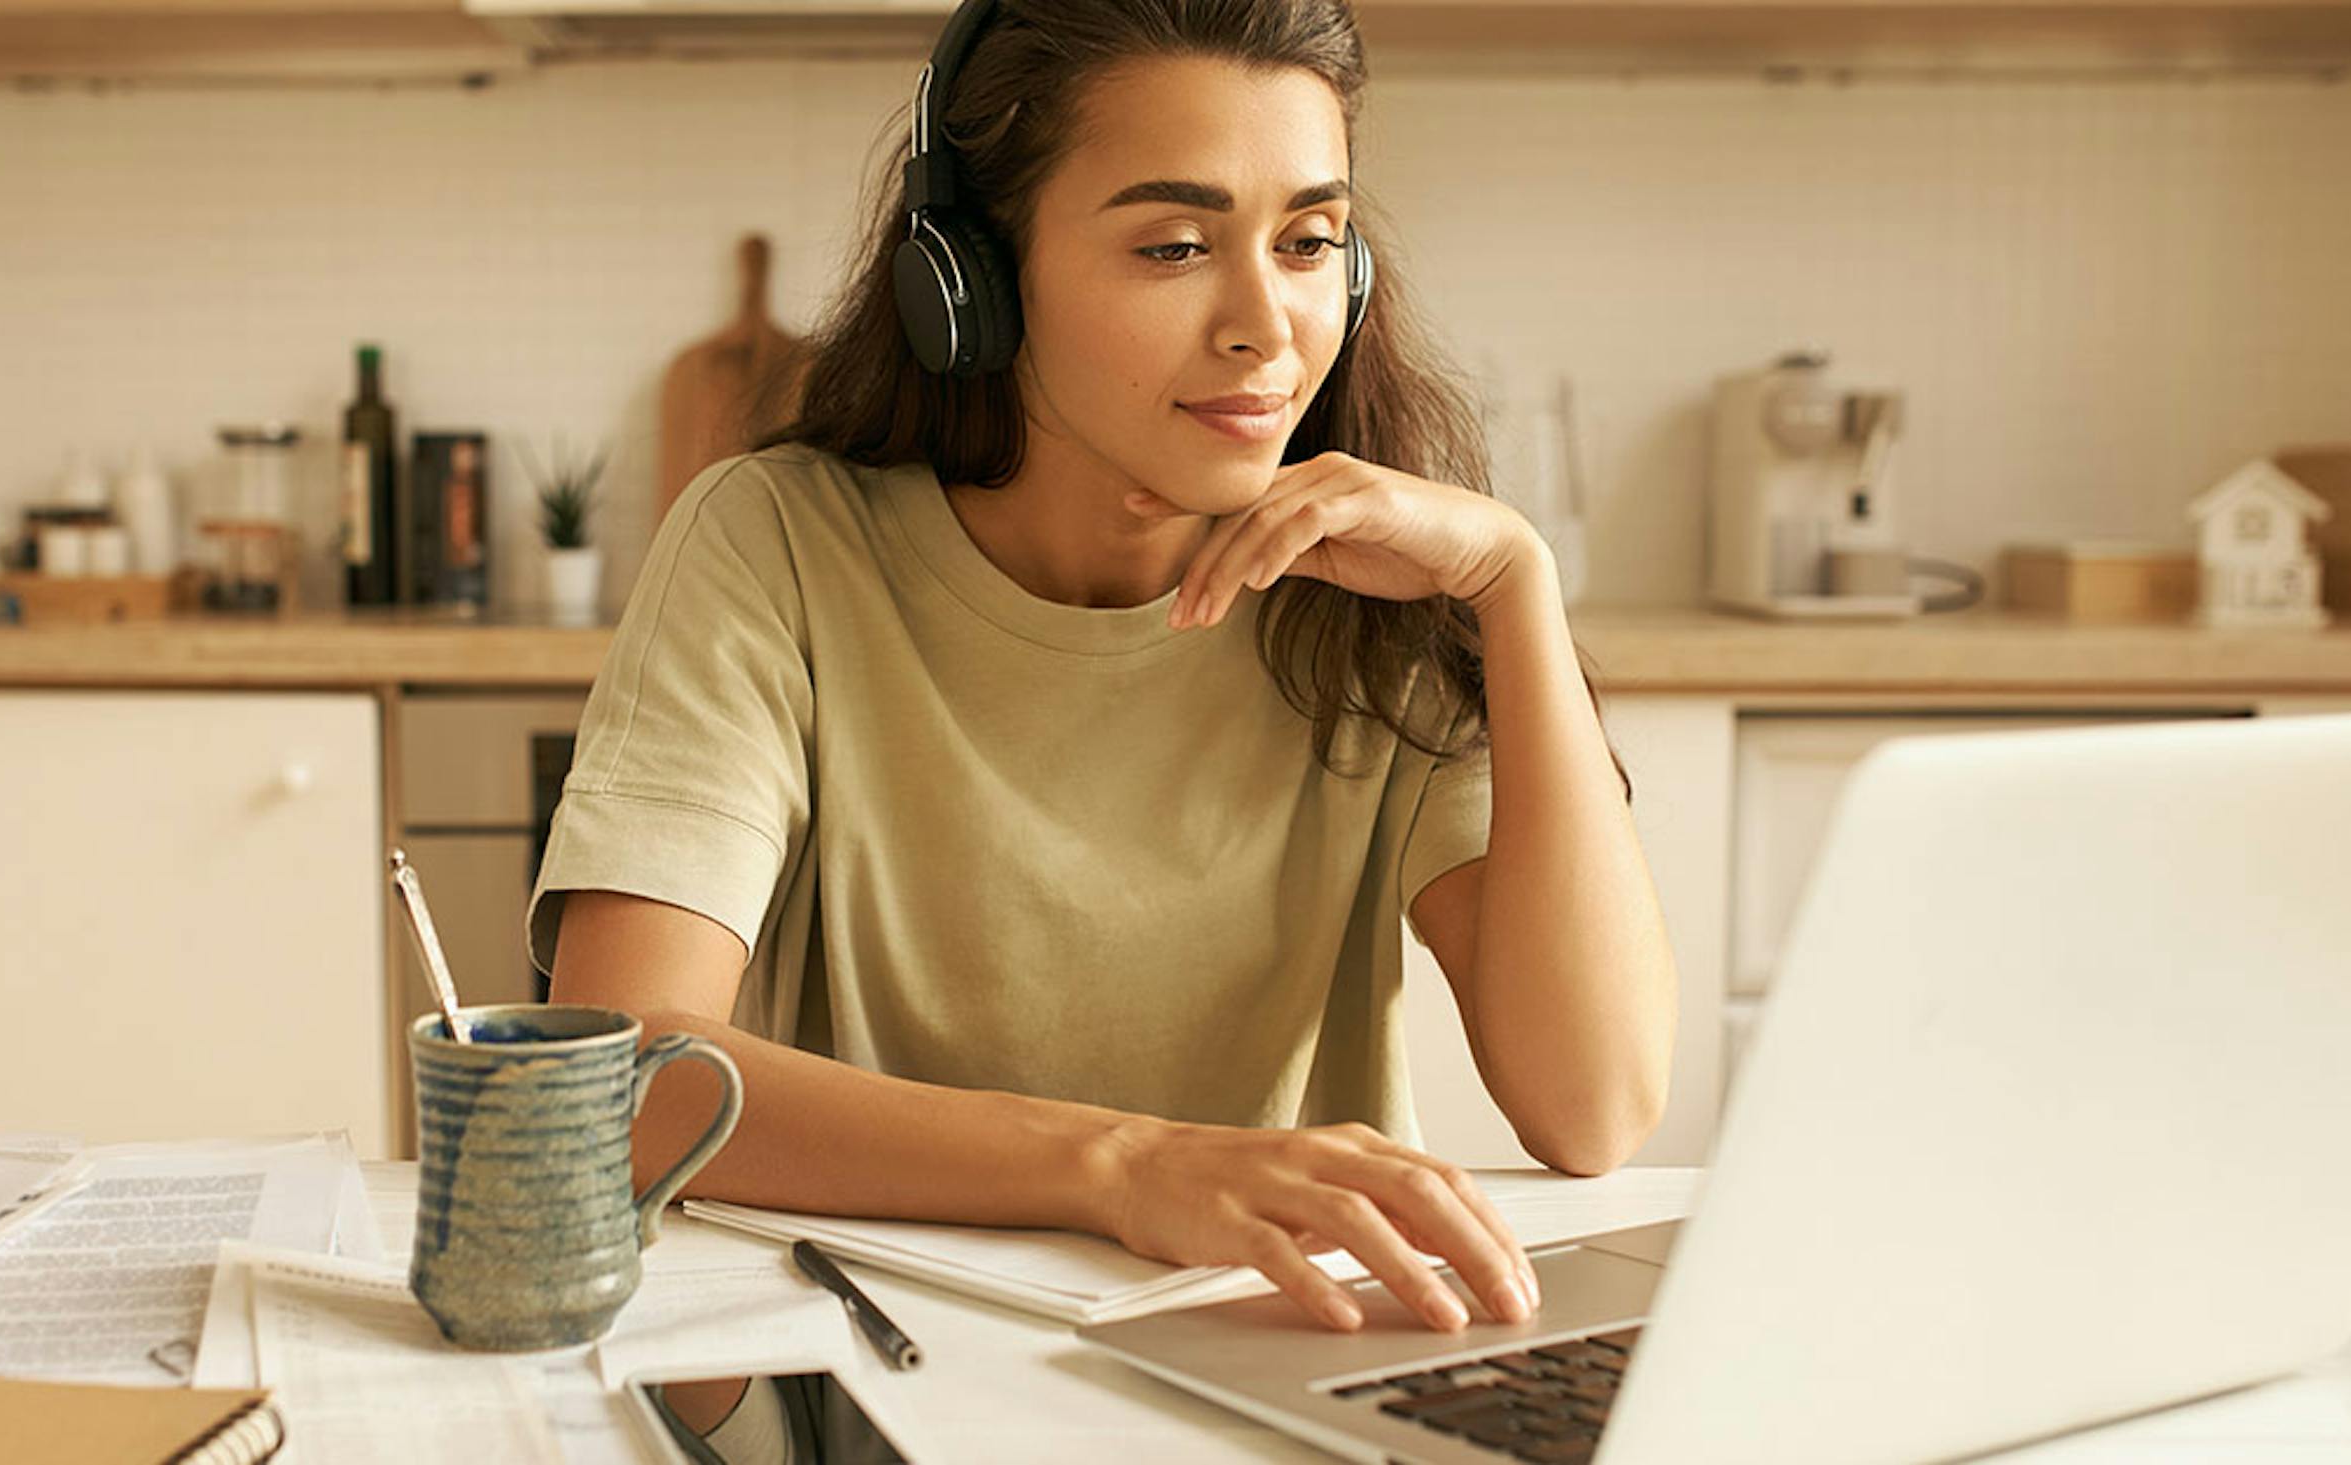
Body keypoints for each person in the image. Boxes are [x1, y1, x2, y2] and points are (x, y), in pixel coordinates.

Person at [530, 0, 1678, 1384]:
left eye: (1311, 241)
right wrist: (1124, 1163)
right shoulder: (777, 544)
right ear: (975, 280)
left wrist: (1514, 586)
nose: (1267, 326)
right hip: (912, 1377)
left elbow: (1595, 1107)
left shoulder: (1387, 591)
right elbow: (624, 1082)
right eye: (1175, 247)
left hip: (1304, 1367)